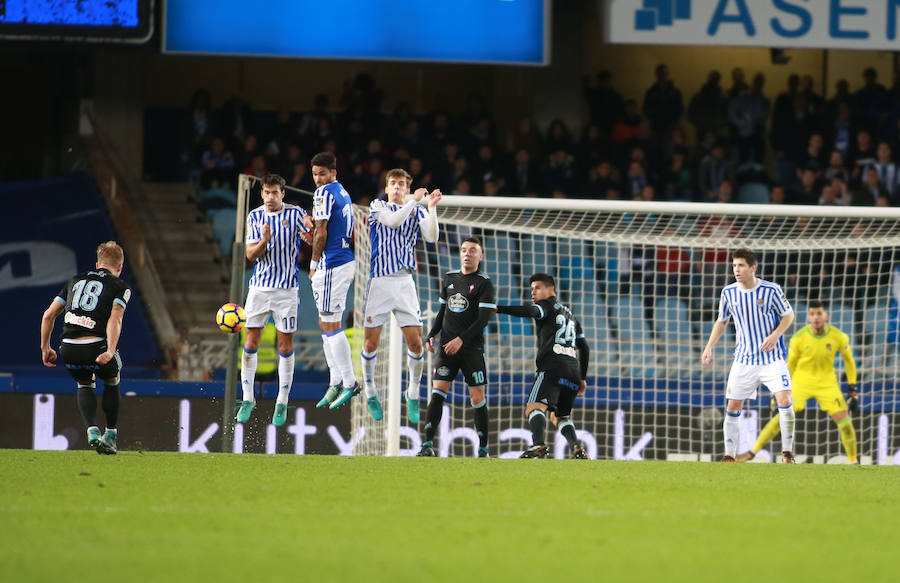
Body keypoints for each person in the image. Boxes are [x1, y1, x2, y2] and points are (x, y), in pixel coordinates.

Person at [360, 168, 442, 422]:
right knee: (370, 343)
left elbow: (432, 237)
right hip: (381, 281)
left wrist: (431, 208)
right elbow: (394, 221)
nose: (397, 187)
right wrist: (414, 201)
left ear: (407, 188)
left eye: (401, 184)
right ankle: (370, 391)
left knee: (416, 343)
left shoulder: (416, 210)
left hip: (405, 282)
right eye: (393, 183)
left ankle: (413, 393)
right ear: (386, 188)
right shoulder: (377, 206)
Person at [701, 249, 797, 463]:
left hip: (772, 358)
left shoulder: (771, 290)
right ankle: (729, 455)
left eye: (741, 265)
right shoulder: (728, 292)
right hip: (744, 360)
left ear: (753, 268)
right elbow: (722, 321)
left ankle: (787, 452)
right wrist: (708, 347)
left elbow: (788, 315)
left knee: (785, 399)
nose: (737, 270)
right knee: (733, 407)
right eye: (734, 265)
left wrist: (775, 335)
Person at [737, 301, 859, 463]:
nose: (816, 317)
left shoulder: (838, 336)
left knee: (845, 423)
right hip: (801, 382)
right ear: (808, 317)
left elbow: (849, 362)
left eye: (819, 313)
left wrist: (852, 388)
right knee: (781, 417)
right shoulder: (799, 338)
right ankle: (752, 452)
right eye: (812, 314)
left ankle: (853, 461)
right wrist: (779, 389)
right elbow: (790, 366)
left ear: (826, 316)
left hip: (827, 384)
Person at [39, 241, 131, 455]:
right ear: (120, 267)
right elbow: (115, 318)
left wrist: (45, 347)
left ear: (97, 264)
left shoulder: (74, 281)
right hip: (96, 345)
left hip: (68, 347)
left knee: (84, 382)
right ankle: (110, 434)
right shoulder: (120, 287)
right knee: (112, 378)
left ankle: (91, 430)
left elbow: (48, 315)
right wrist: (110, 350)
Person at [237, 174, 312, 426]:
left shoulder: (295, 213)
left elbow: (310, 230)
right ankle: (247, 398)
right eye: (266, 193)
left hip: (287, 291)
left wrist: (310, 231)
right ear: (261, 194)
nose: (270, 197)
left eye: (274, 193)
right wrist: (264, 241)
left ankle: (281, 401)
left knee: (285, 347)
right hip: (259, 288)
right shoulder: (255, 217)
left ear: (282, 194)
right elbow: (250, 254)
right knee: (250, 341)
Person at [496, 274, 590, 459]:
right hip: (572, 372)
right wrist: (582, 378)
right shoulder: (570, 315)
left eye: (537, 288)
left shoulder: (546, 306)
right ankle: (577, 447)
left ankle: (538, 443)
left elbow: (531, 311)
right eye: (531, 289)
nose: (533, 292)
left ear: (551, 289)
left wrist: (499, 309)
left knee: (534, 407)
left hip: (552, 368)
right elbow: (584, 348)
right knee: (560, 416)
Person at [417, 238, 496, 457]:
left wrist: (461, 339)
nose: (467, 254)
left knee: (477, 398)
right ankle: (427, 445)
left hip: (472, 349)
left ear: (481, 256)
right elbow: (443, 312)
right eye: (463, 250)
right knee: (437, 393)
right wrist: (432, 334)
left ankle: (483, 448)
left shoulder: (484, 283)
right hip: (446, 349)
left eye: (472, 250)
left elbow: (483, 319)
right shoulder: (449, 278)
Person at [308, 151, 361, 410]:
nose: (318, 179)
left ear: (333, 173)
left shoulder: (324, 193)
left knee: (331, 324)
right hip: (342, 260)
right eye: (315, 174)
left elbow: (321, 232)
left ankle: (350, 382)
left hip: (333, 264)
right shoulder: (342, 191)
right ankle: (335, 381)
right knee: (324, 322)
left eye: (322, 174)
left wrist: (313, 264)